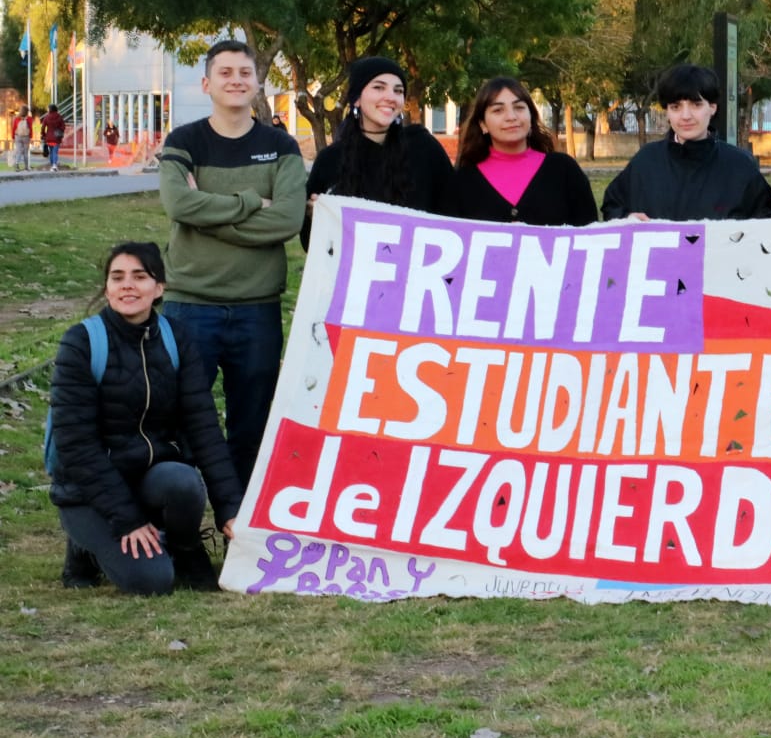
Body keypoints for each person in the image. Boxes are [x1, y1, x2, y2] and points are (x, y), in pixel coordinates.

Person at [49, 242, 243, 595]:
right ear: (107, 287)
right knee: (151, 581)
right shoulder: (80, 343)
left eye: (140, 276)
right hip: (89, 489)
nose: (128, 285)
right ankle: (83, 547)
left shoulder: (176, 338)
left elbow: (204, 429)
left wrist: (230, 509)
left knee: (183, 482)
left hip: (152, 477)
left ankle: (186, 549)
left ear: (160, 288)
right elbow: (76, 448)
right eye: (117, 277)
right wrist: (128, 520)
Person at [159, 38, 305, 487]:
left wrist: (207, 211)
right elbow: (178, 205)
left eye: (244, 73)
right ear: (207, 83)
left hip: (255, 309)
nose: (236, 81)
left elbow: (286, 219)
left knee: (251, 428)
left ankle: (239, 531)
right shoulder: (184, 140)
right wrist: (247, 202)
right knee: (181, 424)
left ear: (258, 82)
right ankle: (184, 533)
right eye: (225, 73)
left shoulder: (281, 144)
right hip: (189, 305)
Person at [303, 56, 454, 248]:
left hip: (417, 273)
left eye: (398, 90)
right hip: (355, 276)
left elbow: (455, 215)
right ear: (356, 99)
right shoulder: (330, 160)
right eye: (379, 87)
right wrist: (314, 217)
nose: (390, 96)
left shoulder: (423, 148)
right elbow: (311, 244)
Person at [601, 64, 771, 222]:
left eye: (696, 105)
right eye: (676, 107)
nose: (685, 116)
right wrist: (627, 218)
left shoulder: (740, 165)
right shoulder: (646, 161)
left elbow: (767, 220)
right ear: (667, 111)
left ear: (712, 107)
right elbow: (613, 206)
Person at [448, 76, 597, 226]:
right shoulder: (462, 181)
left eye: (519, 107)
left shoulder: (564, 170)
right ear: (483, 125)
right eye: (498, 110)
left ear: (531, 117)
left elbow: (590, 235)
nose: (511, 117)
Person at [40, 103, 66, 171]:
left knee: (51, 152)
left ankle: (52, 165)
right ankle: (54, 165)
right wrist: (59, 131)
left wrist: (43, 134)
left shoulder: (46, 117)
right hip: (56, 138)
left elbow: (43, 127)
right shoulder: (59, 117)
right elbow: (63, 127)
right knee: (55, 152)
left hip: (49, 138)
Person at [11, 106, 33, 171]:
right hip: (26, 137)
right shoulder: (29, 119)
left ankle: (17, 164)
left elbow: (14, 128)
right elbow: (31, 129)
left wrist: (13, 137)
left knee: (19, 151)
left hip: (17, 136)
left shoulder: (16, 118)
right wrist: (31, 137)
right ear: (27, 112)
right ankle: (26, 167)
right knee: (26, 152)